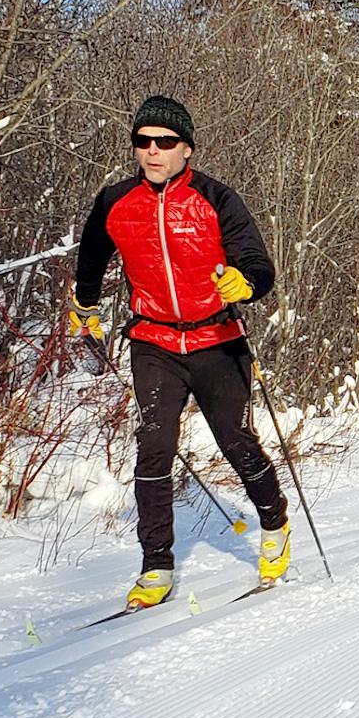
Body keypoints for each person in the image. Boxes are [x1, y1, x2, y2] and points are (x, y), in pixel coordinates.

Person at [69, 95, 290, 609]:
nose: (152, 151)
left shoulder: (216, 199)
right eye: (143, 141)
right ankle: (156, 566)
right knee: (153, 447)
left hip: (217, 341)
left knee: (236, 442)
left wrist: (246, 283)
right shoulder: (115, 201)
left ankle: (274, 519)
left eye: (165, 142)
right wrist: (86, 301)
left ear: (186, 149)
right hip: (154, 341)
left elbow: (258, 263)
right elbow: (92, 252)